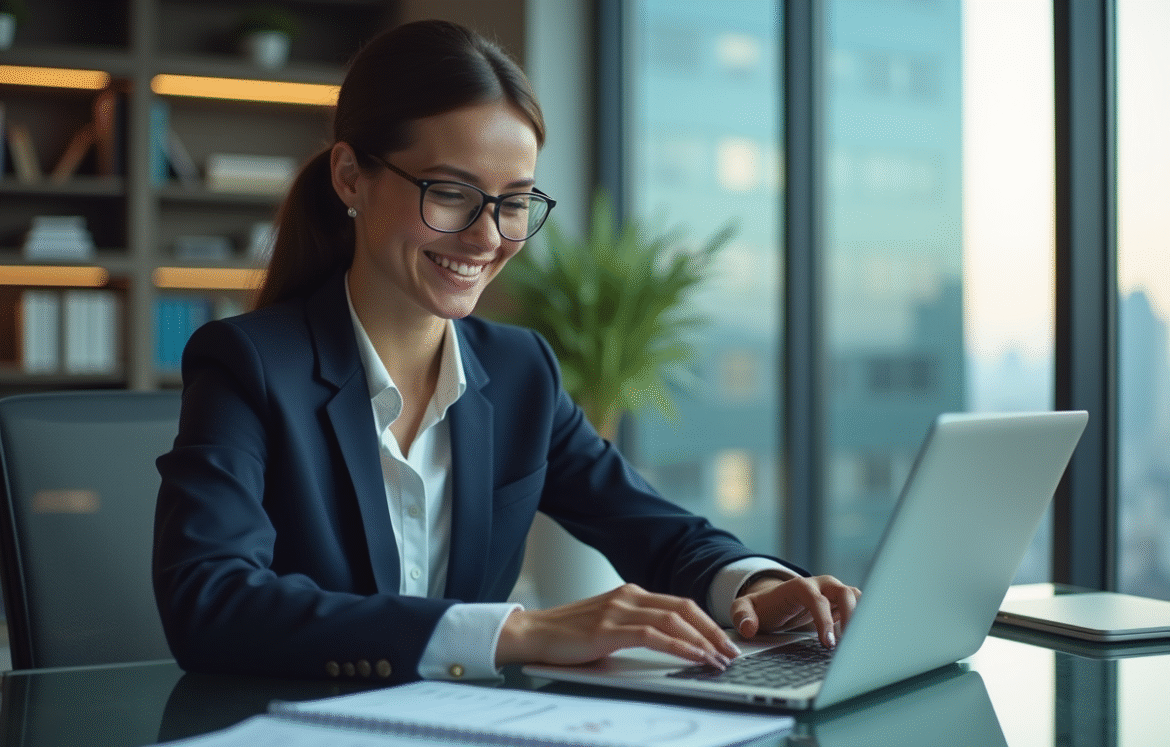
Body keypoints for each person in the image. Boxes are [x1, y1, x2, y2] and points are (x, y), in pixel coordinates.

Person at [153, 19, 859, 684]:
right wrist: (515, 633)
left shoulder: (522, 372)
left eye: (514, 201)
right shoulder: (247, 366)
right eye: (452, 193)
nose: (488, 236)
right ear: (349, 178)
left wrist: (759, 588)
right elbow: (211, 602)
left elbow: (660, 532)